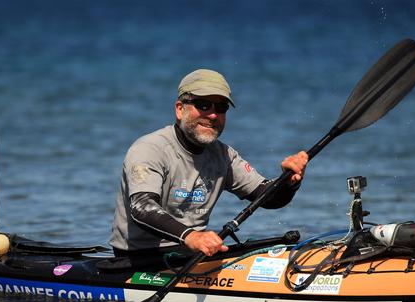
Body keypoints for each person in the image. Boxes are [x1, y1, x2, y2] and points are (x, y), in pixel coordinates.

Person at [110, 69, 308, 258]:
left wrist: (289, 182)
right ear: (180, 109)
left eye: (221, 108)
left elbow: (268, 198)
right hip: (139, 258)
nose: (213, 115)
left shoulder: (224, 155)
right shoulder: (150, 148)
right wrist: (191, 236)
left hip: (193, 255)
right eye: (203, 105)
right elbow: (142, 208)